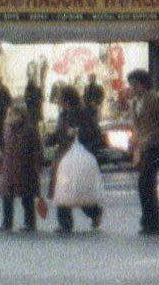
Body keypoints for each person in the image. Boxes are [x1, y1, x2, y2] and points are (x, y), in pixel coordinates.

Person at [48, 85, 104, 233]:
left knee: (78, 189)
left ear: (66, 99)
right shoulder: (63, 114)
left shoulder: (82, 114)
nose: (57, 101)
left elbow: (95, 133)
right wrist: (50, 139)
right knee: (62, 188)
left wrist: (78, 135)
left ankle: (94, 212)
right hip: (63, 156)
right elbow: (59, 133)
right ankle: (65, 224)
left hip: (78, 156)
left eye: (59, 98)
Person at [127, 69, 159, 236]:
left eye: (132, 84)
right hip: (141, 147)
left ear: (140, 84)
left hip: (154, 146)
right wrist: (133, 142)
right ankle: (149, 220)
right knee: (143, 185)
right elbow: (136, 126)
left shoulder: (157, 99)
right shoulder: (134, 102)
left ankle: (154, 223)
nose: (130, 88)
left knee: (146, 182)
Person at [0, 103, 43, 234]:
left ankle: (30, 223)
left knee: (26, 197)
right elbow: (5, 148)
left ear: (20, 116)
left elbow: (37, 149)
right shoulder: (8, 129)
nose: (8, 117)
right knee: (7, 196)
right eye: (8, 114)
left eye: (12, 114)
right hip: (10, 167)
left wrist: (37, 165)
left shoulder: (29, 130)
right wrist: (1, 164)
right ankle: (7, 223)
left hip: (25, 168)